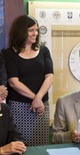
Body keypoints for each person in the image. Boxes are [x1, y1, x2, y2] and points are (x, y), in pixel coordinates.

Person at [3, 15, 53, 146]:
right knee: (21, 146)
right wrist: (35, 98)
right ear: (21, 31)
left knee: (41, 146)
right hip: (18, 107)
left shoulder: (44, 51)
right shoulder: (9, 54)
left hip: (41, 107)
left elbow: (50, 77)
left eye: (36, 30)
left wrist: (39, 99)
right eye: (31, 30)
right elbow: (14, 82)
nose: (35, 33)